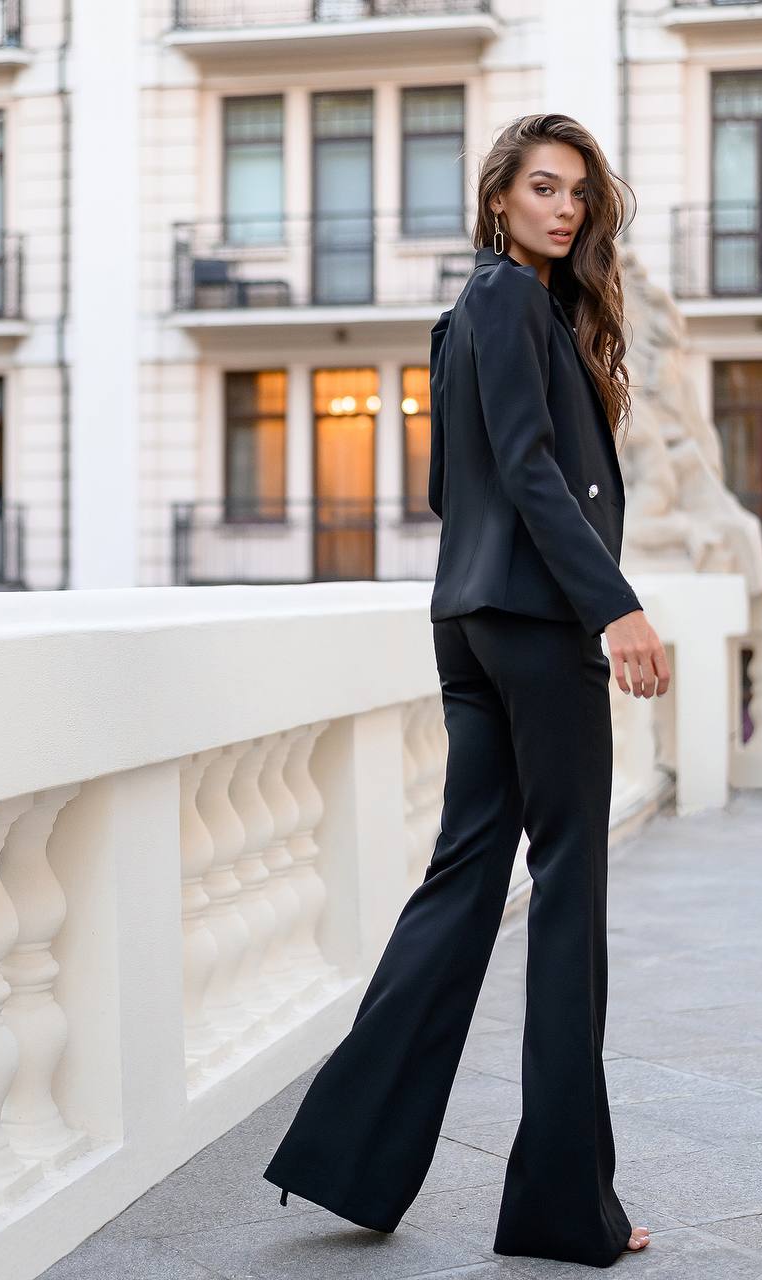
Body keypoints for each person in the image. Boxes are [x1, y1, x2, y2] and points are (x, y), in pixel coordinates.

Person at [263, 113, 671, 1268]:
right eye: (542, 188)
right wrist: (613, 603)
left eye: (578, 196)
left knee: (461, 881)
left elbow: (456, 483)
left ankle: (347, 1153)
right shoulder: (503, 298)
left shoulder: (479, 312)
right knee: (568, 896)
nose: (564, 209)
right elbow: (534, 469)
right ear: (498, 199)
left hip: (470, 618)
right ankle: (558, 1204)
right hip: (536, 626)